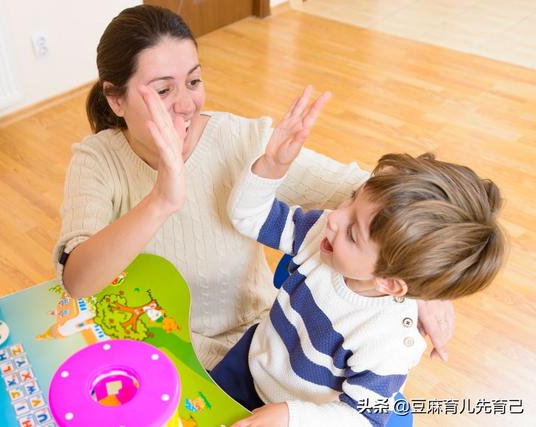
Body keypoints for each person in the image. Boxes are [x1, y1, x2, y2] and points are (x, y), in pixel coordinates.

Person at [53, 4, 454, 371]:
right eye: (162, 90)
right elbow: (78, 281)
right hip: (151, 350)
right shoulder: (97, 160)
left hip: (256, 349)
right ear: (115, 99)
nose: (186, 104)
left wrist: (422, 284)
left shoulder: (243, 140)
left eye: (193, 81)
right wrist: (161, 200)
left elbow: (375, 192)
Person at [210, 97, 506, 427]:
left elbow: (361, 417)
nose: (335, 217)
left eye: (353, 233)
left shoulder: (388, 342)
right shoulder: (320, 234)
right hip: (250, 367)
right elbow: (249, 216)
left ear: (389, 283)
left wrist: (290, 416)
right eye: (352, 199)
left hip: (307, 415)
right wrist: (272, 165)